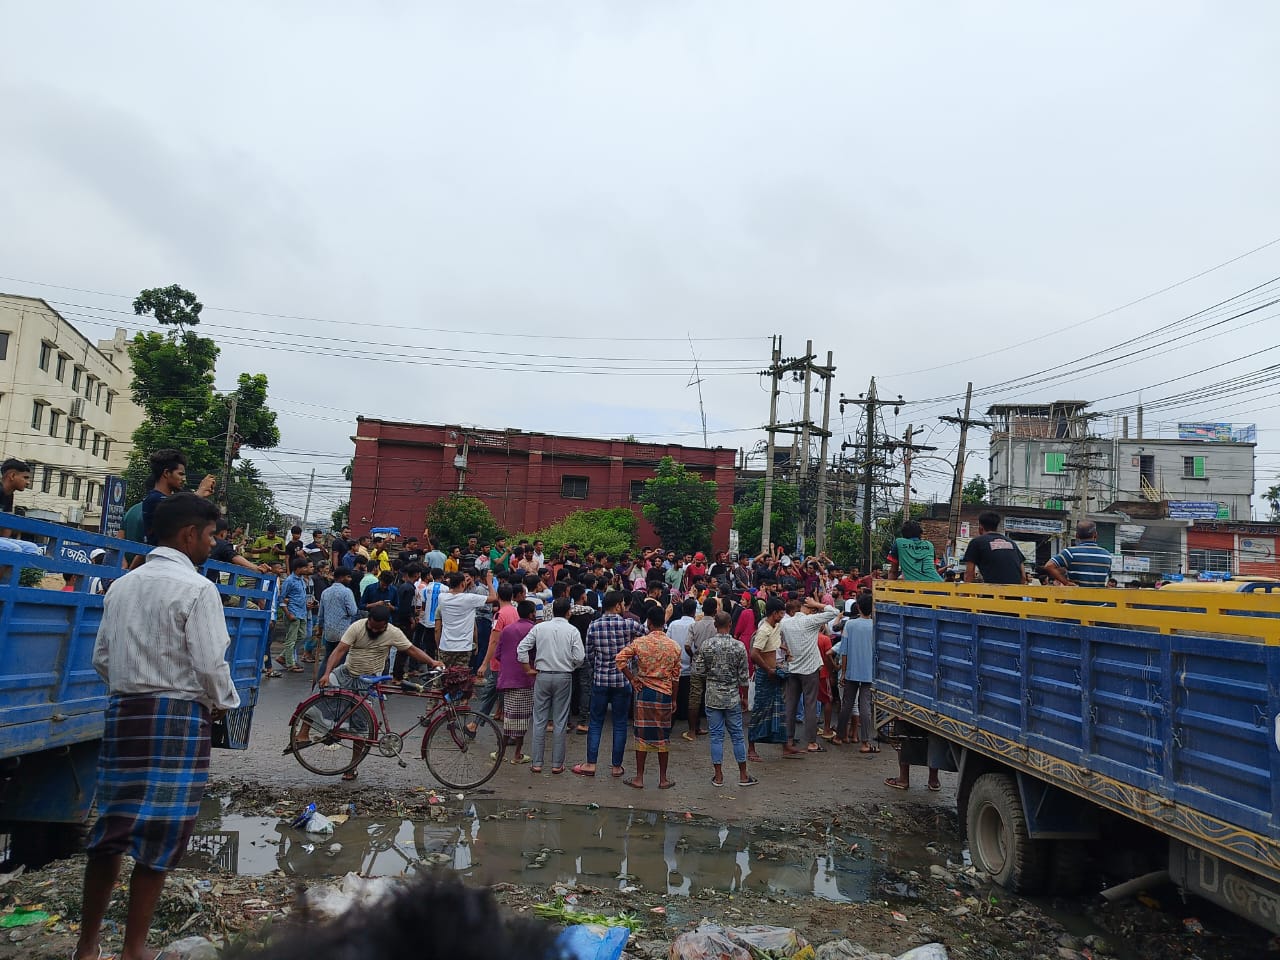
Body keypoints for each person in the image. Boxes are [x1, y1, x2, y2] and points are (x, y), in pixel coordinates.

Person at [75, 493, 238, 960]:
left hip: (125, 711)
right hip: (179, 717)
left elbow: (101, 658)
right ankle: (134, 950)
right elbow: (210, 663)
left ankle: (87, 948)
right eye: (209, 536)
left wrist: (131, 687)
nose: (211, 545)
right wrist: (224, 703)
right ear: (189, 535)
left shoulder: (123, 585)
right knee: (161, 836)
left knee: (111, 831)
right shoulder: (198, 589)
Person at [312, 603, 441, 780]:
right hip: (346, 673)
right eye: (372, 626)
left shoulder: (393, 632)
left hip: (368, 681)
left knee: (361, 728)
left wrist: (432, 662)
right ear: (368, 620)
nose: (374, 630)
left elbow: (411, 649)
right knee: (318, 697)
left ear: (385, 625)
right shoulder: (357, 626)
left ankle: (351, 767)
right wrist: (326, 673)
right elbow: (339, 650)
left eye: (378, 628)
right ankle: (302, 735)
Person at [573, 590, 644, 779]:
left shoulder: (594, 626)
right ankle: (616, 767)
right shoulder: (628, 624)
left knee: (595, 722)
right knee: (620, 724)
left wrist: (599, 665)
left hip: (600, 680)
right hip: (623, 680)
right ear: (618, 605)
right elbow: (647, 635)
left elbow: (588, 654)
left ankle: (590, 764)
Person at [615, 605, 682, 790]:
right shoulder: (674, 647)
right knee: (663, 736)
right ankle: (663, 779)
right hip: (664, 693)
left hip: (643, 692)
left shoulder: (640, 643)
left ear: (649, 623)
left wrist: (632, 679)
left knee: (641, 735)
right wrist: (675, 699)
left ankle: (639, 777)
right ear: (664, 623)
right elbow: (676, 676)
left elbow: (620, 659)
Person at [516, 597, 586, 775]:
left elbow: (522, 648)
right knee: (560, 720)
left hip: (542, 675)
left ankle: (537, 763)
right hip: (564, 676)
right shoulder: (572, 630)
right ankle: (557, 764)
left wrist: (527, 668)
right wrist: (570, 666)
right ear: (569, 612)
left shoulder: (539, 627)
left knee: (539, 719)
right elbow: (579, 657)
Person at [692, 611, 757, 787]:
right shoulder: (738, 646)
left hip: (713, 696)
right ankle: (743, 775)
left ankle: (719, 776)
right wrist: (743, 697)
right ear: (730, 624)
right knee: (737, 736)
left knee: (716, 737)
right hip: (732, 696)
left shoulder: (707, 645)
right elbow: (744, 676)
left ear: (715, 625)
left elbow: (698, 670)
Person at [779, 597, 839, 757]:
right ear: (802, 608)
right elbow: (835, 612)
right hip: (810, 669)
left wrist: (786, 650)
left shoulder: (785, 623)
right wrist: (817, 604)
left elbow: (775, 638)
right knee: (810, 704)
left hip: (793, 668)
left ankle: (789, 739)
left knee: (791, 705)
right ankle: (811, 742)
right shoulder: (809, 621)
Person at [495, 599, 538, 764]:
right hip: (525, 677)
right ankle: (516, 754)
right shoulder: (533, 630)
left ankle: (502, 751)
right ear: (531, 613)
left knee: (509, 717)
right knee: (521, 719)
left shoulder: (507, 629)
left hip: (507, 678)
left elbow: (498, 654)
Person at [835, 593, 877, 753]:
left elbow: (843, 652)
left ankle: (839, 736)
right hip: (869, 672)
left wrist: (844, 672)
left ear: (858, 607)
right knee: (865, 706)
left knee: (847, 704)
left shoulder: (850, 625)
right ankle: (865, 742)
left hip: (852, 670)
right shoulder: (875, 625)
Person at [435, 571, 499, 670]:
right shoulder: (469, 598)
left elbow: (451, 592)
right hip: (464, 646)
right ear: (462, 584)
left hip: (445, 645)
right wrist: (489, 582)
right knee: (461, 678)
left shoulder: (442, 597)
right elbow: (493, 597)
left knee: (444, 675)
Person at [748, 599, 788, 746]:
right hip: (766, 675)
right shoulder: (764, 630)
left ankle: (785, 746)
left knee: (779, 710)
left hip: (773, 673)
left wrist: (786, 650)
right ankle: (751, 747)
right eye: (781, 613)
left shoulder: (776, 626)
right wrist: (768, 669)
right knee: (759, 711)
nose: (783, 616)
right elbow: (754, 654)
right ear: (774, 613)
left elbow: (774, 645)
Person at [682, 597, 718, 741]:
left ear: (702, 610)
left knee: (694, 698)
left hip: (697, 664)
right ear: (715, 610)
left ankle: (692, 730)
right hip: (713, 666)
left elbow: (686, 646)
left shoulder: (694, 625)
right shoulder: (717, 626)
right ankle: (714, 728)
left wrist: (693, 656)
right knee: (712, 697)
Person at [961, 512, 1027, 585]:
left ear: (980, 527)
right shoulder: (1011, 542)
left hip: (993, 592)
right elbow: (1023, 577)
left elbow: (969, 575)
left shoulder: (976, 542)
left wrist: (963, 595)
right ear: (996, 526)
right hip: (1015, 592)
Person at [1045, 520, 1114, 588]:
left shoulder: (1070, 553)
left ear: (1077, 535)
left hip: (1075, 597)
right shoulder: (1107, 555)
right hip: (1099, 598)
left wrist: (1066, 582)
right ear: (1095, 534)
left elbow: (1049, 566)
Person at [276, 556, 312, 672]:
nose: (307, 569)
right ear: (298, 568)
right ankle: (290, 664)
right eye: (305, 567)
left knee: (302, 635)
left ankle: (283, 656)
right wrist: (288, 613)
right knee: (291, 639)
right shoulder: (289, 581)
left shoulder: (301, 579)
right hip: (293, 613)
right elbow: (281, 599)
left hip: (302, 612)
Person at [316, 566, 358, 663]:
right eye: (348, 577)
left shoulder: (325, 592)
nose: (350, 579)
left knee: (328, 658)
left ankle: (322, 677)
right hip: (343, 632)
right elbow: (353, 611)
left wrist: (319, 629)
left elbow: (321, 614)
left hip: (329, 632)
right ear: (342, 577)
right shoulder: (347, 592)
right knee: (341, 660)